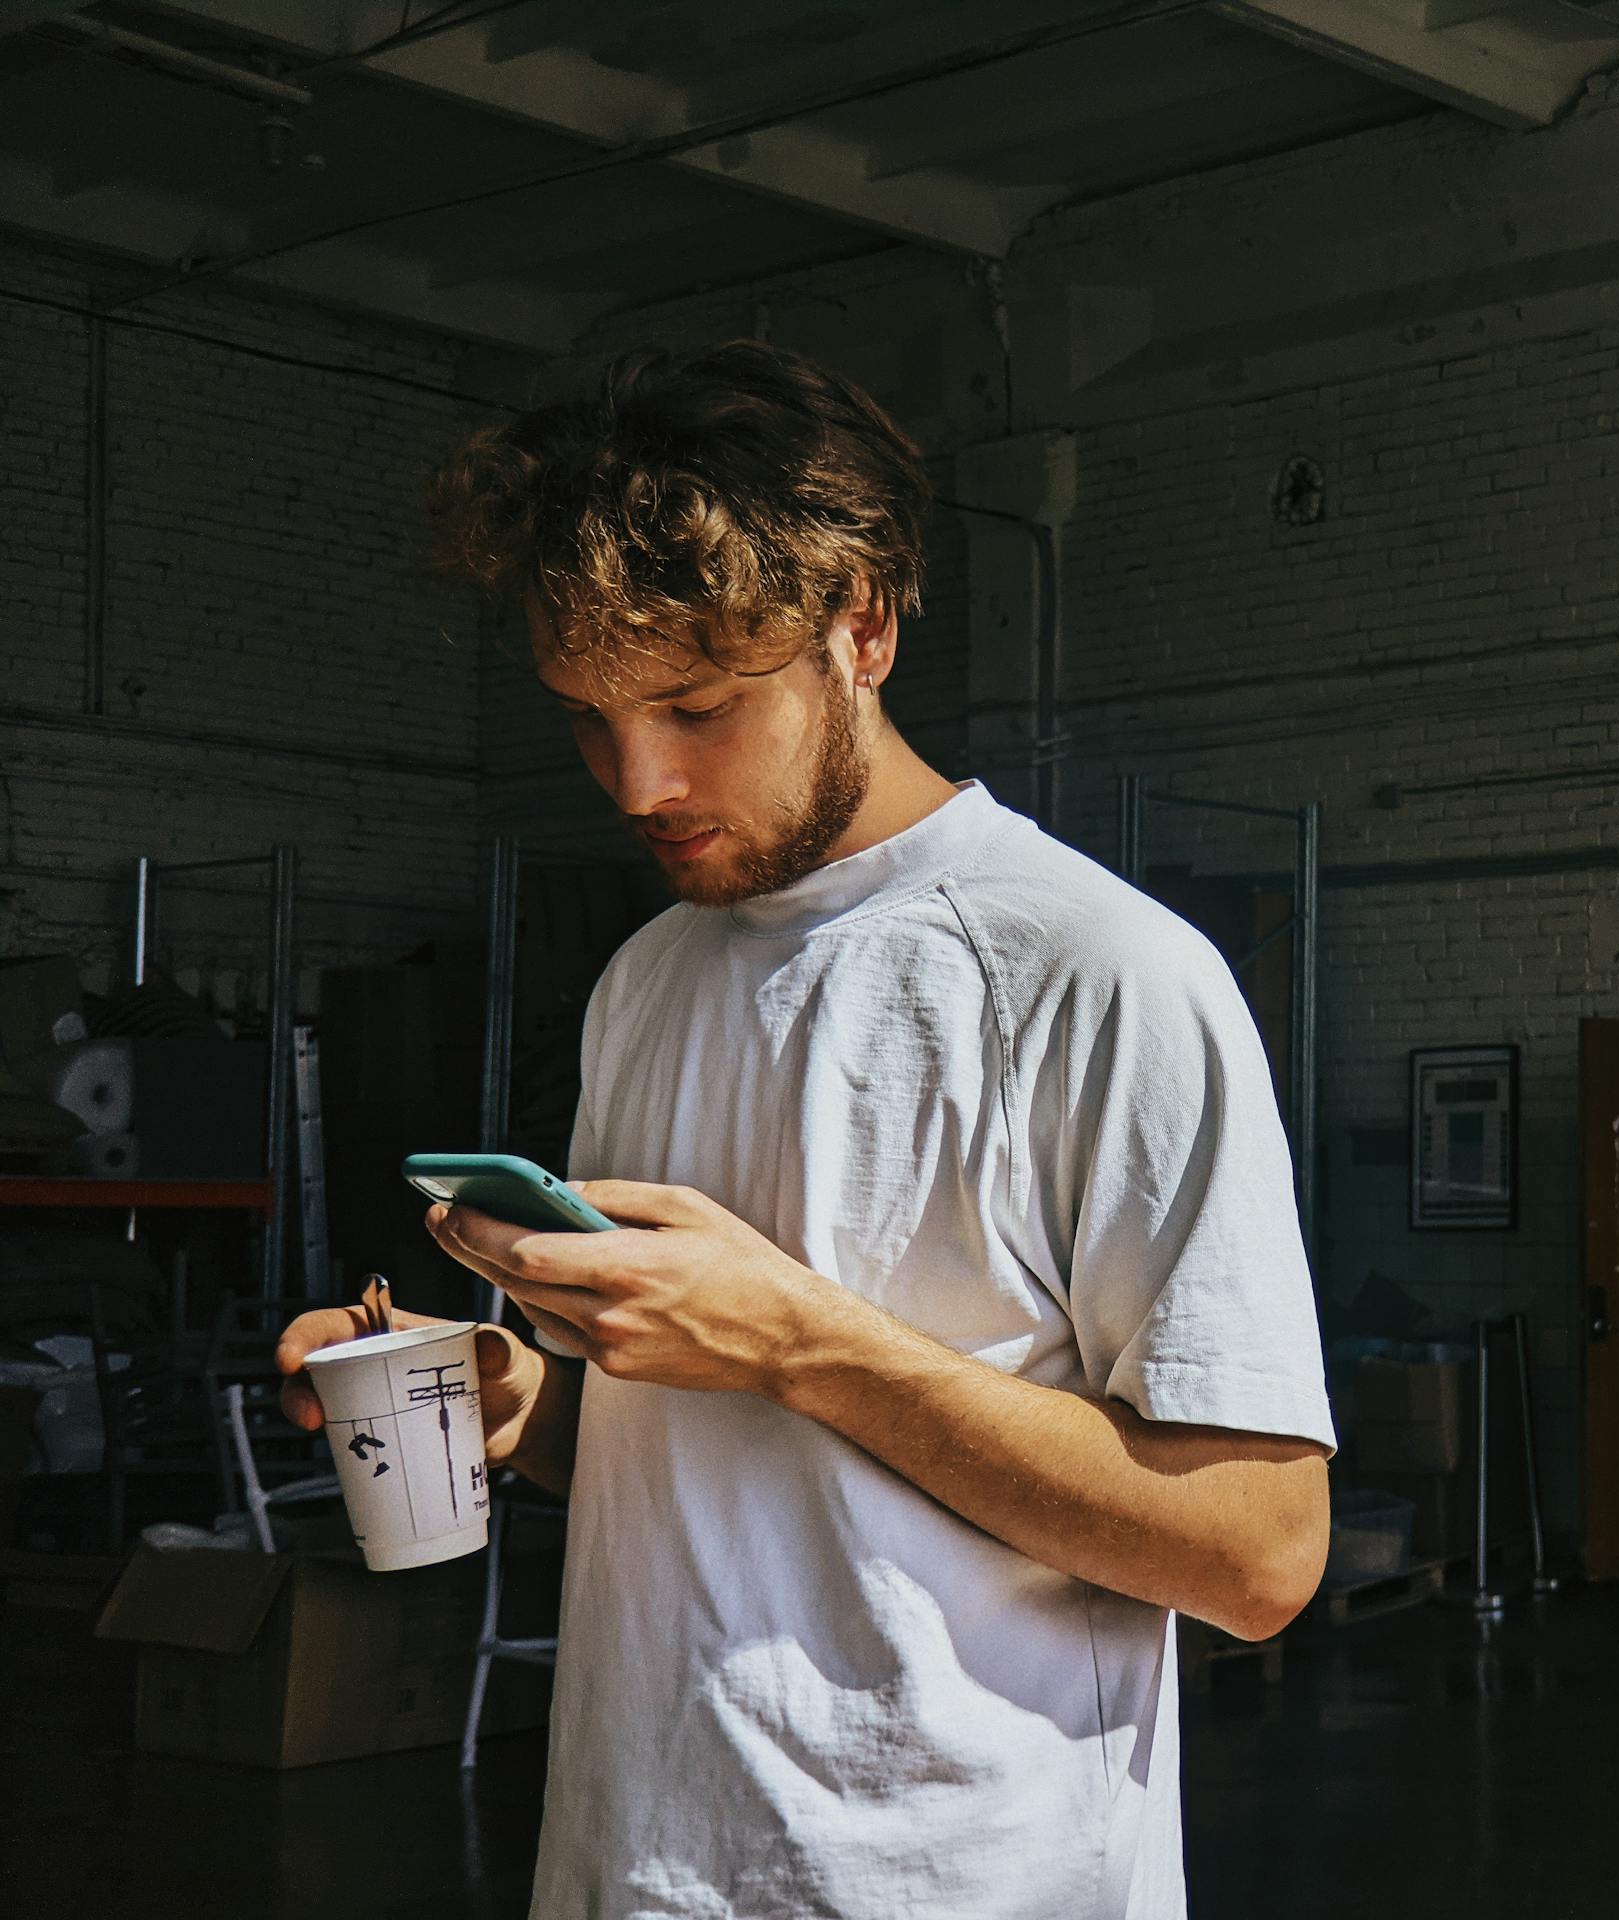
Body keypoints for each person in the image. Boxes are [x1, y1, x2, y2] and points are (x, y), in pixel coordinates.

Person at [276, 341, 1334, 1920]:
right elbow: (726, 1479)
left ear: (866, 625)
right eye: (589, 718)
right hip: (632, 1864)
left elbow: (1255, 1554)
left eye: (697, 705)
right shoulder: (647, 977)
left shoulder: (1097, 975)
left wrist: (796, 1340)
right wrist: (517, 1405)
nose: (640, 782)